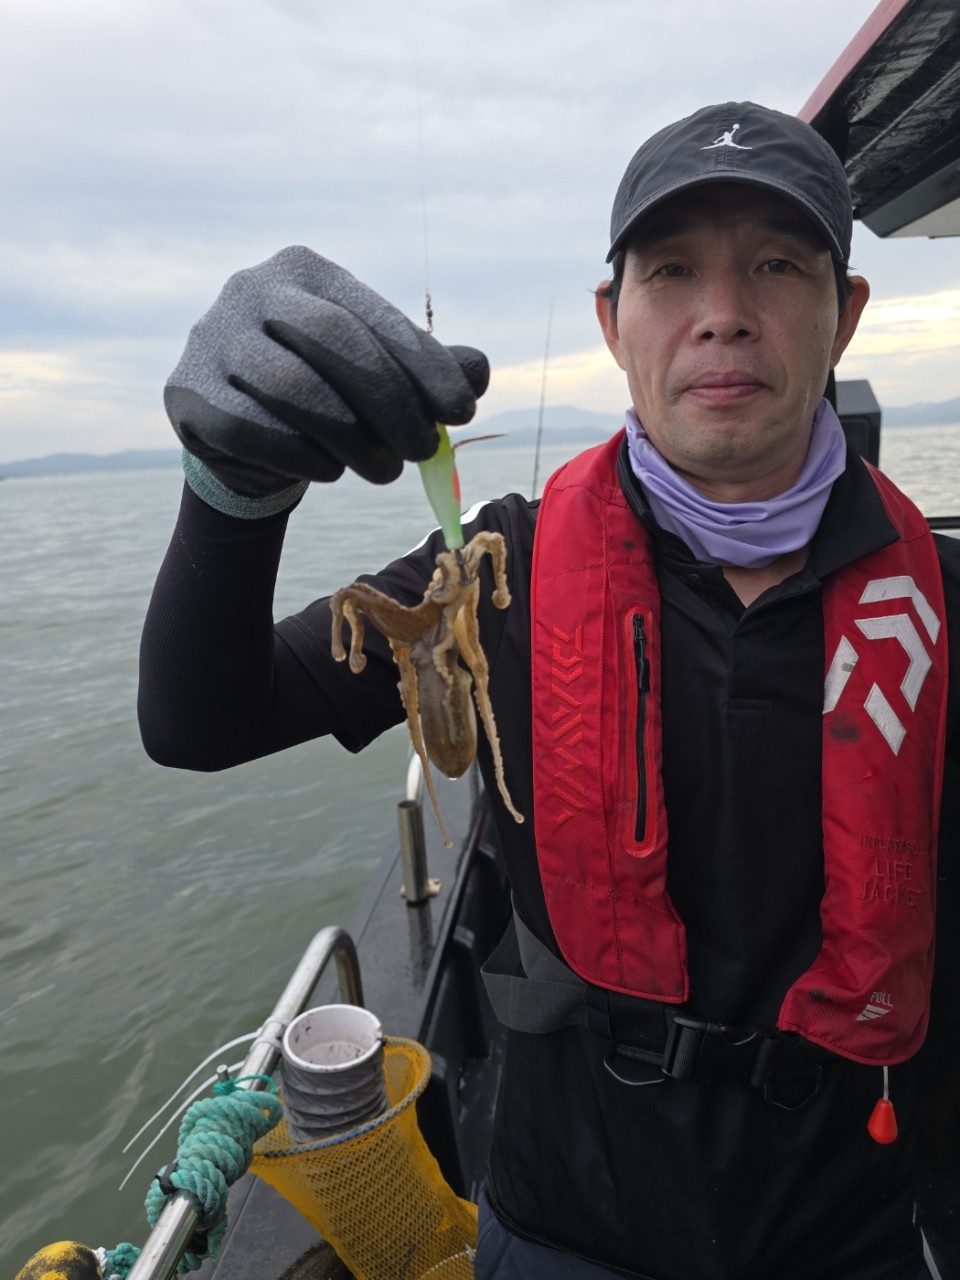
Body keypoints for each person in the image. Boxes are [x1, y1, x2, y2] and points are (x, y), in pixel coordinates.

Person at [139, 102, 960, 1279]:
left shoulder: (941, 598)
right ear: (612, 321)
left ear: (849, 312)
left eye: (779, 265)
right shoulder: (494, 570)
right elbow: (201, 720)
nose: (724, 311)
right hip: (564, 1220)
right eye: (671, 270)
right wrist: (231, 489)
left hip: (857, 1223)